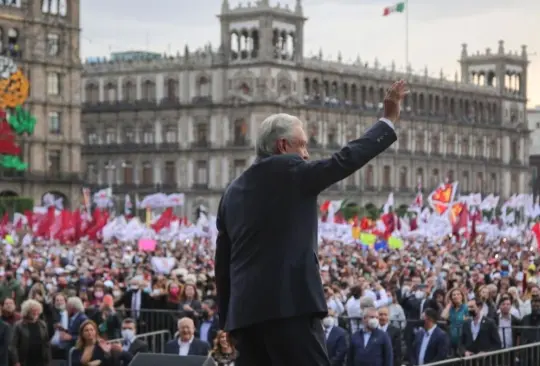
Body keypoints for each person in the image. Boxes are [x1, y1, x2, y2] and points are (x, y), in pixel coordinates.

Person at [215, 80, 407, 366]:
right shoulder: (293, 172)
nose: (306, 154)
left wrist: (227, 320)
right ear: (283, 145)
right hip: (290, 310)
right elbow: (345, 159)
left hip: (245, 319)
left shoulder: (231, 192)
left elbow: (223, 265)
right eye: (302, 145)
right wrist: (388, 121)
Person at [9, 299, 51, 366]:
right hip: (25, 361)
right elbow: (13, 346)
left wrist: (48, 361)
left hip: (41, 360)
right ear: (27, 311)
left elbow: (47, 344)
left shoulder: (43, 324)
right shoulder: (18, 325)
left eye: (37, 310)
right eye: (33, 310)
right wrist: (16, 362)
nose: (36, 312)